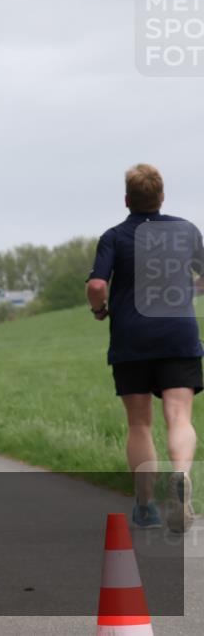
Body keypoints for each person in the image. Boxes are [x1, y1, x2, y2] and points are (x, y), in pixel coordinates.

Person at [86, 163, 202, 533]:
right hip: (178, 335)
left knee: (139, 423)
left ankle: (146, 506)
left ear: (127, 200)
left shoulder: (114, 236)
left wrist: (100, 310)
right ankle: (181, 479)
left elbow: (96, 286)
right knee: (179, 416)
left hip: (132, 338)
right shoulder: (186, 231)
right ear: (161, 196)